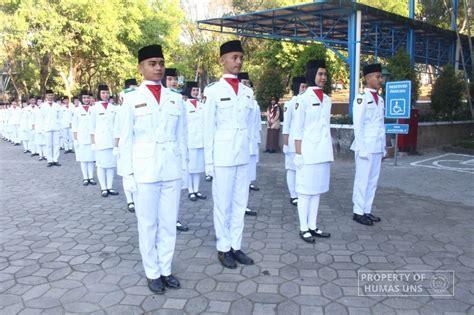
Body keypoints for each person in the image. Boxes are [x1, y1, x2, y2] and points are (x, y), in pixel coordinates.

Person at [120, 44, 187, 294]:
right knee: (148, 224)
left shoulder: (175, 98)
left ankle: (166, 269)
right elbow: (125, 141)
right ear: (140, 68)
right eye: (152, 63)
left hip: (170, 168)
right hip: (145, 170)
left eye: (161, 63)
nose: (158, 67)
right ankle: (152, 272)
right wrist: (127, 176)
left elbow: (182, 138)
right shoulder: (131, 99)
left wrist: (184, 170)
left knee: (169, 223)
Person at [203, 40, 255, 269]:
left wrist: (253, 155)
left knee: (240, 203)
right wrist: (209, 162)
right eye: (234, 57)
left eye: (240, 57)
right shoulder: (213, 91)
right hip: (222, 156)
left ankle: (236, 245)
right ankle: (223, 248)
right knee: (223, 204)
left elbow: (252, 127)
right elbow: (208, 128)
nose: (238, 61)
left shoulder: (247, 92)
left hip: (243, 155)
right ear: (222, 60)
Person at [293, 59, 333, 243]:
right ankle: (303, 227)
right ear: (312, 75)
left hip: (323, 152)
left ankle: (313, 225)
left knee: (317, 190)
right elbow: (297, 130)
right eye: (320, 74)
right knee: (304, 191)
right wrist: (298, 155)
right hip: (308, 153)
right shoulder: (302, 100)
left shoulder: (327, 99)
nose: (323, 77)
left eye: (325, 74)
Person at [351, 63, 386, 226]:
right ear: (368, 78)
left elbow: (381, 125)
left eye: (381, 76)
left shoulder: (380, 100)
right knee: (362, 180)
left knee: (373, 180)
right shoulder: (361, 99)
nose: (381, 79)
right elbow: (358, 126)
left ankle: (367, 210)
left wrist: (384, 146)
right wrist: (362, 148)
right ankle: (358, 212)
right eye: (378, 76)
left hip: (377, 146)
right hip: (365, 146)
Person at [161, 68, 190, 232]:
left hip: (173, 153)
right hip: (154, 155)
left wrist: (184, 156)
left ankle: (174, 220)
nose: (173, 82)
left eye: (174, 79)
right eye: (170, 79)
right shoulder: (154, 98)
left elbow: (182, 131)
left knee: (173, 192)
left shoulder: (179, 100)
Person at [90, 84, 119, 197]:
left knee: (111, 165)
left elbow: (117, 126)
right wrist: (93, 142)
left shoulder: (114, 108)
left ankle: (110, 186)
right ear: (99, 94)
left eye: (107, 93)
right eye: (103, 93)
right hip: (100, 141)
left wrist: (117, 143)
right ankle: (103, 188)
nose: (105, 95)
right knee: (101, 165)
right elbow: (91, 128)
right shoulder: (94, 108)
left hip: (111, 141)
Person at [282, 77, 307, 207]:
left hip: (304, 142)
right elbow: (286, 125)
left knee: (301, 169)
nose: (304, 89)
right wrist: (285, 144)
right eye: (302, 86)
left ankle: (300, 192)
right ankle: (293, 195)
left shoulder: (306, 101)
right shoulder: (290, 104)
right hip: (292, 142)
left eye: (306, 86)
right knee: (291, 169)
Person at [115, 78, 138, 212]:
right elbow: (117, 130)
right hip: (124, 145)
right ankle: (129, 200)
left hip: (136, 145)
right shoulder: (119, 110)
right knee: (126, 173)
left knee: (135, 173)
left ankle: (136, 198)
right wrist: (115, 146)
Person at [237, 72, 258, 216]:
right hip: (237, 145)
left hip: (250, 143)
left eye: (247, 83)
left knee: (246, 178)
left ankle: (244, 206)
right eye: (243, 82)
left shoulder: (253, 101)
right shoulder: (236, 100)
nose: (246, 85)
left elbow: (254, 124)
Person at [183, 81, 207, 202]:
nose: (196, 92)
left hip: (200, 141)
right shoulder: (184, 105)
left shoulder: (202, 105)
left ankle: (196, 190)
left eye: (197, 90)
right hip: (190, 141)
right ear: (189, 91)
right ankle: (190, 190)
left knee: (198, 168)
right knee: (190, 168)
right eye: (194, 90)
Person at [72, 90, 97, 186]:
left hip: (91, 138)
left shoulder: (94, 109)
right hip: (81, 138)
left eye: (87, 98)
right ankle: (85, 177)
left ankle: (91, 177)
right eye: (84, 98)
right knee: (83, 159)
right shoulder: (77, 110)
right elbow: (74, 126)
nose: (86, 99)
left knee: (91, 158)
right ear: (81, 99)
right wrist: (75, 139)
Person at [41, 89, 62, 167]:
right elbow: (41, 118)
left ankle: (55, 160)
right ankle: (49, 160)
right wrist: (42, 128)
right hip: (47, 127)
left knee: (56, 144)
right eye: (49, 95)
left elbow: (60, 117)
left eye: (52, 95)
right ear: (46, 96)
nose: (50, 96)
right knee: (48, 145)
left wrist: (59, 126)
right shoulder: (43, 106)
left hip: (56, 127)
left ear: (53, 96)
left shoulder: (57, 106)